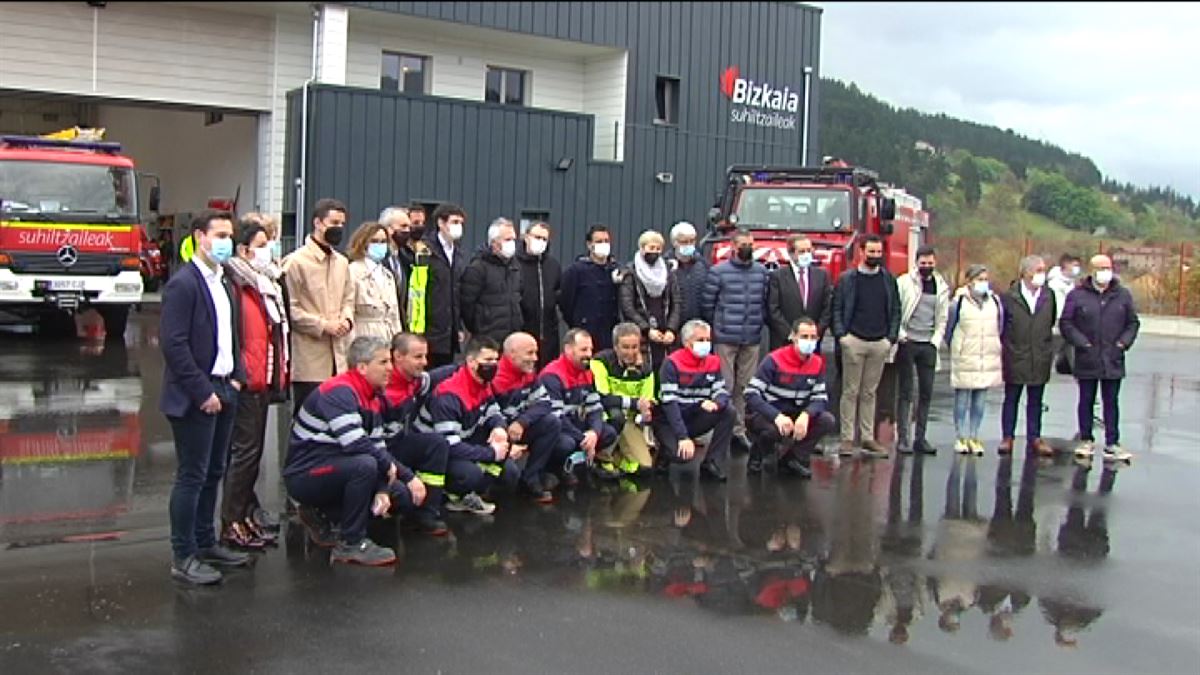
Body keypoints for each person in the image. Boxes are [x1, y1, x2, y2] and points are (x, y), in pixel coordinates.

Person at [159, 209, 250, 585]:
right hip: (197, 393)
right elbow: (174, 344)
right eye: (220, 234)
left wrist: (239, 378)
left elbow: (232, 335)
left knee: (215, 472)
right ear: (199, 236)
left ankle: (205, 541)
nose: (226, 241)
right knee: (192, 475)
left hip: (227, 386)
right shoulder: (185, 283)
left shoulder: (224, 280)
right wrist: (202, 392)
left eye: (230, 234)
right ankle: (183, 555)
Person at [285, 337, 426, 567]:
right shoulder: (339, 392)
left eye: (390, 361)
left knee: (400, 494)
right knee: (364, 466)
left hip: (337, 468)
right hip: (305, 474)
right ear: (362, 367)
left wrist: (397, 482)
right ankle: (351, 543)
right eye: (382, 362)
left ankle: (328, 516)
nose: (390, 368)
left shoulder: (373, 396)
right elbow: (356, 444)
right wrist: (389, 470)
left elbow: (378, 446)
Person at [220, 217, 291, 550]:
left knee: (254, 452)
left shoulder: (267, 282)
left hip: (264, 376)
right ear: (244, 249)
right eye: (262, 245)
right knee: (244, 454)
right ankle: (231, 521)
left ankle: (246, 514)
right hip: (246, 379)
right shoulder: (236, 282)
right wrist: (240, 374)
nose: (269, 250)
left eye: (271, 243)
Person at [1059, 254, 1139, 463]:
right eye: (1101, 268)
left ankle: (1112, 442)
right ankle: (1086, 439)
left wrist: (1123, 343)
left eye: (1108, 267)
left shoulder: (1122, 295)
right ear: (1092, 271)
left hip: (1113, 357)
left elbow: (1132, 323)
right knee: (1086, 400)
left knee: (1111, 401)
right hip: (1087, 357)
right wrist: (1082, 343)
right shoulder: (1077, 295)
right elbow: (1066, 323)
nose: (1105, 271)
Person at [419, 336, 508, 515]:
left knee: (506, 448)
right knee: (470, 473)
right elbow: (450, 446)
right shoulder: (449, 395)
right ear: (471, 361)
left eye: (496, 360)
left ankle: (471, 493)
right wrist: (490, 453)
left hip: (464, 437)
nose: (493, 365)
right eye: (488, 360)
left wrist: (499, 427)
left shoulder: (482, 382)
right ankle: (451, 495)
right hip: (435, 452)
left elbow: (493, 409)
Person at [282, 198, 355, 415]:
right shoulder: (295, 262)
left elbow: (348, 298)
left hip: (339, 358)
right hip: (309, 361)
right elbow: (289, 308)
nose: (339, 228)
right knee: (308, 417)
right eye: (334, 222)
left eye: (342, 224)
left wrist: (346, 320)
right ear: (318, 223)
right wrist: (323, 325)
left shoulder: (342, 262)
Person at [831, 235, 900, 458]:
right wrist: (842, 337)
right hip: (854, 341)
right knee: (850, 392)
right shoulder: (847, 279)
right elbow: (837, 309)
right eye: (871, 252)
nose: (875, 256)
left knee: (870, 392)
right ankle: (847, 439)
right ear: (861, 252)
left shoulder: (888, 279)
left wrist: (890, 338)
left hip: (879, 342)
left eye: (879, 252)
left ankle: (868, 438)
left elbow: (896, 310)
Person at [701, 229, 769, 453]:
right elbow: (708, 304)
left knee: (745, 387)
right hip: (725, 337)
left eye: (751, 243)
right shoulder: (718, 272)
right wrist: (717, 328)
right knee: (725, 385)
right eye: (743, 244)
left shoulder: (761, 272)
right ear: (733, 246)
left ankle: (738, 431)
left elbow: (764, 302)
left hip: (751, 337)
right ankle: (719, 429)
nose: (748, 247)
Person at [745, 317, 837, 478]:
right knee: (772, 431)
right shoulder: (774, 360)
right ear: (792, 337)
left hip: (796, 412)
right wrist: (776, 416)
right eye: (804, 337)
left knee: (827, 420)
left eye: (812, 337)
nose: (809, 341)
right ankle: (758, 453)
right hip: (768, 414)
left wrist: (806, 415)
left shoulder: (817, 363)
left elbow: (820, 397)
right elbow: (751, 393)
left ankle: (792, 458)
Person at [380, 333, 451, 536]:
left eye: (425, 356)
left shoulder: (413, 380)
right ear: (398, 357)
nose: (424, 362)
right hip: (378, 452)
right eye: (418, 357)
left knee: (437, 444)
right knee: (401, 495)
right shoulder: (382, 389)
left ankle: (426, 514)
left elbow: (435, 377)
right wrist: (408, 477)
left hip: (397, 444)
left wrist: (467, 366)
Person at [654, 319, 735, 482]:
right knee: (682, 457)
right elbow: (670, 405)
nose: (706, 344)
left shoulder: (713, 361)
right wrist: (683, 436)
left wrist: (717, 402)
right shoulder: (671, 363)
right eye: (700, 340)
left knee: (728, 411)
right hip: (670, 420)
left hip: (695, 416)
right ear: (687, 343)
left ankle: (711, 462)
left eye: (708, 340)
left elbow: (721, 390)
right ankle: (665, 452)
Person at [539, 328, 620, 484]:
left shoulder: (587, 372)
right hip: (556, 428)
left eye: (591, 349)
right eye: (583, 349)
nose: (589, 354)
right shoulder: (552, 375)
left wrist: (594, 433)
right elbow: (557, 417)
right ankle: (554, 469)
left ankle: (580, 462)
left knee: (608, 432)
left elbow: (595, 407)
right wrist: (583, 438)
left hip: (577, 425)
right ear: (568, 349)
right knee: (565, 444)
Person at [491, 332, 563, 503]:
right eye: (529, 353)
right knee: (510, 475)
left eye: (536, 352)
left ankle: (530, 479)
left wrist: (522, 422)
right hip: (496, 436)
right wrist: (507, 442)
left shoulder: (528, 373)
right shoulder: (494, 379)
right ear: (512, 353)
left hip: (517, 429)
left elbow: (545, 403)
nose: (535, 358)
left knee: (552, 422)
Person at [894, 245, 950, 455]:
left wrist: (936, 341)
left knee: (926, 392)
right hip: (908, 341)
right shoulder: (904, 283)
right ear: (916, 263)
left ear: (935, 263)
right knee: (906, 392)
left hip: (929, 344)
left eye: (930, 263)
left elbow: (942, 317)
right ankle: (903, 438)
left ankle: (921, 438)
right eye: (923, 263)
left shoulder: (941, 286)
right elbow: (897, 309)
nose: (926, 266)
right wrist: (901, 335)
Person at [1000, 255, 1057, 456]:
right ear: (1025, 272)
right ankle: (1008, 436)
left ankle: (1035, 437)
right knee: (1011, 398)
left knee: (1036, 400)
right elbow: (1003, 325)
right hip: (1016, 354)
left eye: (1043, 270)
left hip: (1039, 355)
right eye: (1038, 270)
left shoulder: (1049, 296)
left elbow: (1049, 322)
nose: (1042, 274)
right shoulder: (1009, 297)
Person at [946, 264, 1004, 456]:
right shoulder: (959, 303)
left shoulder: (994, 301)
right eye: (979, 279)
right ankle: (960, 436)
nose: (983, 283)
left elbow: (1000, 326)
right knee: (962, 399)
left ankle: (974, 435)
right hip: (965, 355)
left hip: (987, 355)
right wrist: (957, 347)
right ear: (969, 281)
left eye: (985, 279)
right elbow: (950, 329)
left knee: (980, 400)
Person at [590, 323, 657, 477]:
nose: (631, 352)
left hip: (630, 421)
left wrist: (646, 412)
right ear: (615, 347)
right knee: (616, 415)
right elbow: (603, 397)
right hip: (606, 417)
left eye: (635, 347)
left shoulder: (646, 370)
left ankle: (617, 458)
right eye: (625, 347)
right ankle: (602, 457)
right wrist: (634, 403)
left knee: (645, 467)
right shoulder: (600, 362)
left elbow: (647, 400)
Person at [620, 229, 682, 370]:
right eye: (651, 248)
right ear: (642, 248)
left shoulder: (669, 271)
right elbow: (627, 306)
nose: (655, 251)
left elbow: (676, 302)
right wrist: (646, 329)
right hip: (641, 333)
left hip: (664, 330)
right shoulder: (631, 272)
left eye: (658, 248)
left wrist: (671, 329)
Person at [460, 218, 523, 344]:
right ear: (494, 243)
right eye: (507, 239)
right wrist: (479, 327)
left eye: (513, 239)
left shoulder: (515, 267)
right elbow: (466, 304)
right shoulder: (478, 268)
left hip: (511, 338)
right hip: (487, 338)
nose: (512, 243)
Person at [559, 225, 621, 351]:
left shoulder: (616, 270)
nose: (603, 244)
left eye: (606, 241)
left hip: (609, 335)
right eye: (599, 241)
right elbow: (565, 302)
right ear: (589, 245)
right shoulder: (575, 271)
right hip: (585, 334)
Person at [424, 203, 469, 368]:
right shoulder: (426, 250)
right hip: (431, 328)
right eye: (454, 222)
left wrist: (459, 326)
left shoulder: (458, 253)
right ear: (441, 223)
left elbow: (457, 291)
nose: (459, 227)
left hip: (450, 330)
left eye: (461, 223)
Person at [767, 235, 833, 349]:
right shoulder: (777, 276)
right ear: (791, 254)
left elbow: (827, 307)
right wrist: (791, 335)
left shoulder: (822, 275)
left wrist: (815, 332)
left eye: (809, 250)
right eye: (802, 251)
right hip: (784, 342)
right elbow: (773, 310)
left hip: (812, 342)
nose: (806, 254)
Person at [345, 221, 404, 343]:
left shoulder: (388, 275)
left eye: (383, 242)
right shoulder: (352, 271)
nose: (380, 245)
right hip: (363, 338)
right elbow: (348, 310)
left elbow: (395, 316)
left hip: (387, 338)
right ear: (363, 243)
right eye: (375, 241)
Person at [517, 221, 562, 370]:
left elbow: (558, 295)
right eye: (537, 237)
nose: (541, 242)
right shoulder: (515, 264)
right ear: (525, 237)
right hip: (523, 332)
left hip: (548, 336)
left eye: (544, 239)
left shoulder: (553, 266)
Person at [666, 221, 710, 325]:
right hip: (673, 327)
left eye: (692, 241)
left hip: (698, 324)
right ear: (674, 242)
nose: (689, 245)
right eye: (684, 242)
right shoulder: (665, 266)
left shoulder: (703, 265)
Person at [1047, 253, 1083, 373]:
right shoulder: (1055, 284)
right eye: (1074, 265)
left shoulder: (1070, 283)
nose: (1076, 269)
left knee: (1071, 348)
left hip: (1070, 323)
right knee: (1053, 349)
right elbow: (1057, 306)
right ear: (1066, 265)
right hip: (1058, 324)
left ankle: (1078, 370)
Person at [378, 206, 412, 325]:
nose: (407, 231)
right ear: (388, 229)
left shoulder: (406, 259)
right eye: (403, 226)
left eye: (409, 227)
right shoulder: (377, 258)